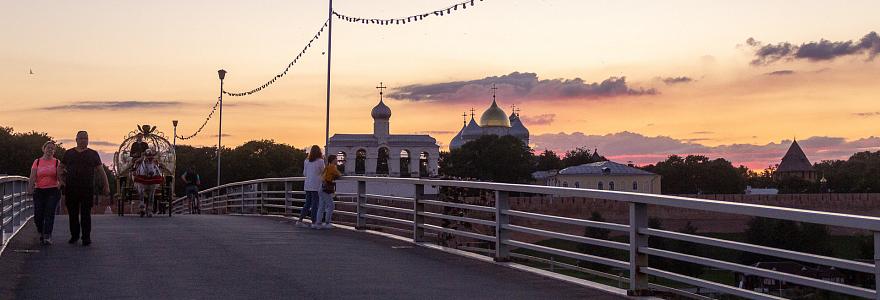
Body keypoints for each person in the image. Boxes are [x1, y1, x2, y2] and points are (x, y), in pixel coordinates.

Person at [60, 131, 110, 246]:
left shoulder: (93, 154)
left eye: (86, 138)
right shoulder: (69, 153)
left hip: (87, 188)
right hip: (71, 188)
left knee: (86, 213)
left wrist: (106, 185)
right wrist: (61, 180)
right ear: (76, 139)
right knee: (72, 213)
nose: (84, 140)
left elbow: (101, 171)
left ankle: (86, 237)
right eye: (81, 138)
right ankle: (74, 235)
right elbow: (61, 167)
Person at [28, 141, 63, 245]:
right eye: (48, 148)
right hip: (39, 190)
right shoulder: (37, 162)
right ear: (43, 149)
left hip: (53, 190)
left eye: (52, 149)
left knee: (49, 213)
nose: (50, 150)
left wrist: (60, 184)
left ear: (54, 151)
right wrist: (30, 188)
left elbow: (61, 177)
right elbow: (33, 176)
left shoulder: (57, 162)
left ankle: (47, 235)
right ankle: (40, 231)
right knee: (38, 214)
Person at [133, 149, 168, 217]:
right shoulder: (142, 156)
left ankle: (150, 209)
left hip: (152, 177)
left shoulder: (153, 160)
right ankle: (142, 207)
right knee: (136, 162)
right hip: (140, 157)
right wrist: (139, 155)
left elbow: (153, 156)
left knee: (152, 194)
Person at [297, 145, 324, 228]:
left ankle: (300, 220)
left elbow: (304, 173)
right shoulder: (320, 161)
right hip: (316, 184)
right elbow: (323, 172)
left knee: (307, 203)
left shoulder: (306, 161)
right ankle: (314, 222)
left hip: (308, 184)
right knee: (315, 203)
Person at [314, 155, 341, 229]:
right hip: (326, 189)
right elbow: (339, 174)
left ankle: (318, 223)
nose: (337, 160)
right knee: (331, 205)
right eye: (336, 159)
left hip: (321, 187)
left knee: (321, 206)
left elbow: (323, 175)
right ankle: (327, 223)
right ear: (332, 160)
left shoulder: (327, 167)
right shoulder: (332, 167)